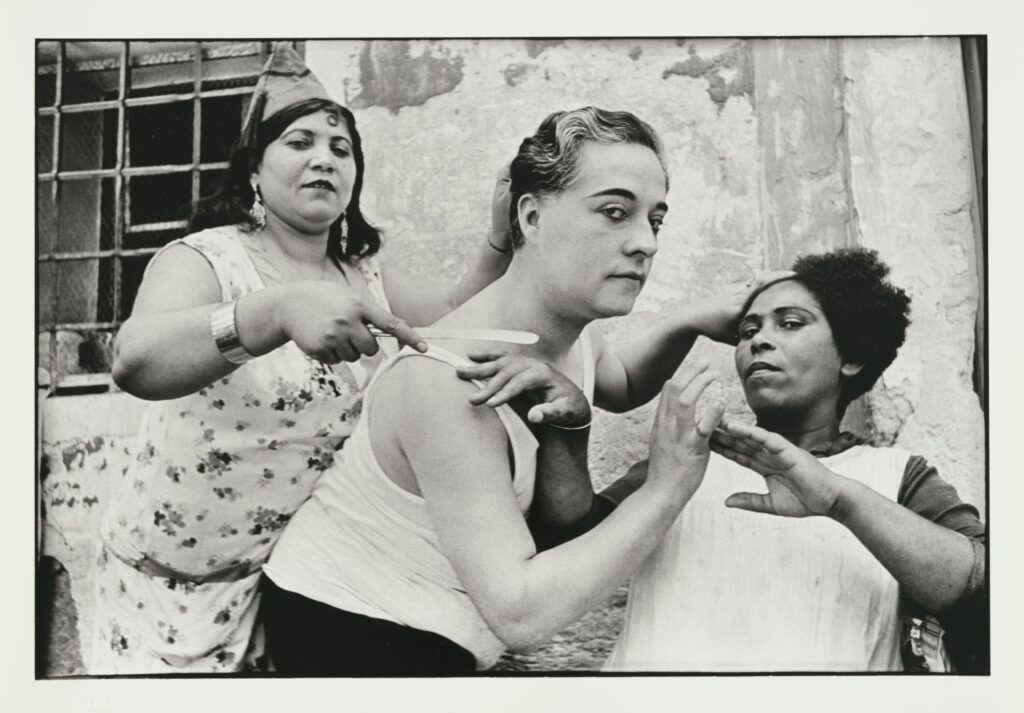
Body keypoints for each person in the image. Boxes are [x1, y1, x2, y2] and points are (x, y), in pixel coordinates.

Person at [260, 106, 772, 675]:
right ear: (531, 217)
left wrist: (689, 321)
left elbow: (624, 384)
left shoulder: (571, 333)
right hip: (350, 640)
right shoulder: (450, 381)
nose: (645, 243)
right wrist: (667, 487)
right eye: (615, 212)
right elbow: (522, 617)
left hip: (444, 641)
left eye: (655, 220)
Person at [91, 43, 515, 674]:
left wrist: (499, 239)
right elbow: (135, 361)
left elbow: (455, 313)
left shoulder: (366, 278)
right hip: (160, 591)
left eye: (341, 149)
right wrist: (277, 311)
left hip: (279, 588)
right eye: (300, 142)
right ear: (253, 171)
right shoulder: (208, 260)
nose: (324, 158)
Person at [602, 248, 987, 672]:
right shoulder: (688, 459)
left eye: (790, 323)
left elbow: (989, 594)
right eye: (748, 331)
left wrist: (839, 500)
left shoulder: (897, 476)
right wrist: (570, 427)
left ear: (851, 355)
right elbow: (567, 545)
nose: (758, 341)